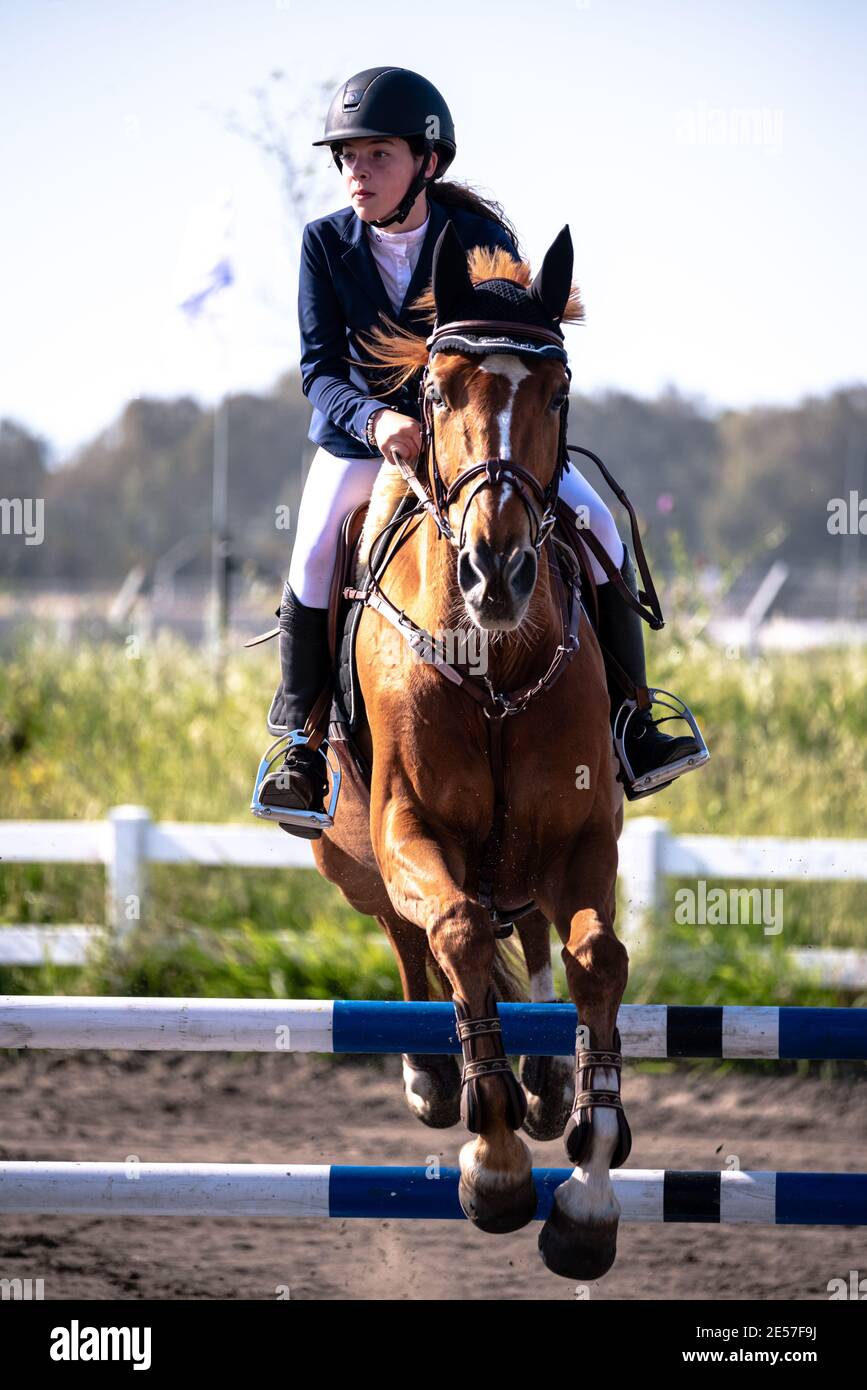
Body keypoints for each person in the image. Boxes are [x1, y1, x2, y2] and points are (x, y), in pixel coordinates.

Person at [256, 66, 703, 838]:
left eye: (375, 157)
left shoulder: (480, 241)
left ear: (426, 162)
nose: (355, 174)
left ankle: (633, 721)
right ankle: (300, 745)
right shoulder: (324, 244)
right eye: (347, 160)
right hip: (369, 444)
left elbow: (517, 354)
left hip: (480, 446)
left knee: (595, 523)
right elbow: (319, 370)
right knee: (315, 550)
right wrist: (373, 424)